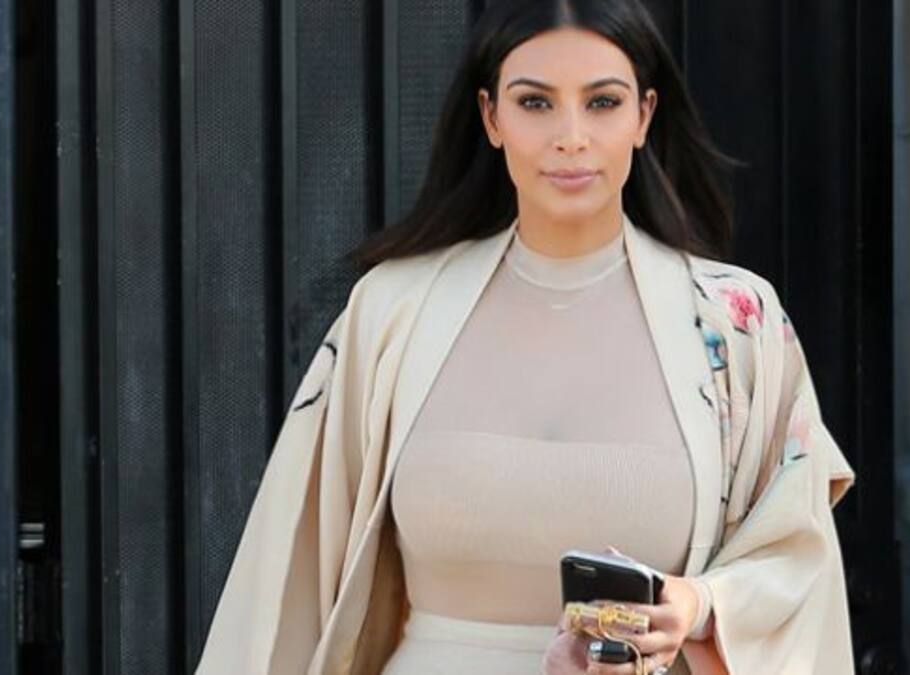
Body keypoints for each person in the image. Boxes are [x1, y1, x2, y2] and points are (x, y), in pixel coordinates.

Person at [195, 1, 856, 673]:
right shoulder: (391, 311)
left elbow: (798, 557)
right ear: (491, 117)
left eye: (602, 102)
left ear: (644, 115)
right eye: (535, 103)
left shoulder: (736, 323)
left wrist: (701, 604)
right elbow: (288, 575)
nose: (570, 136)